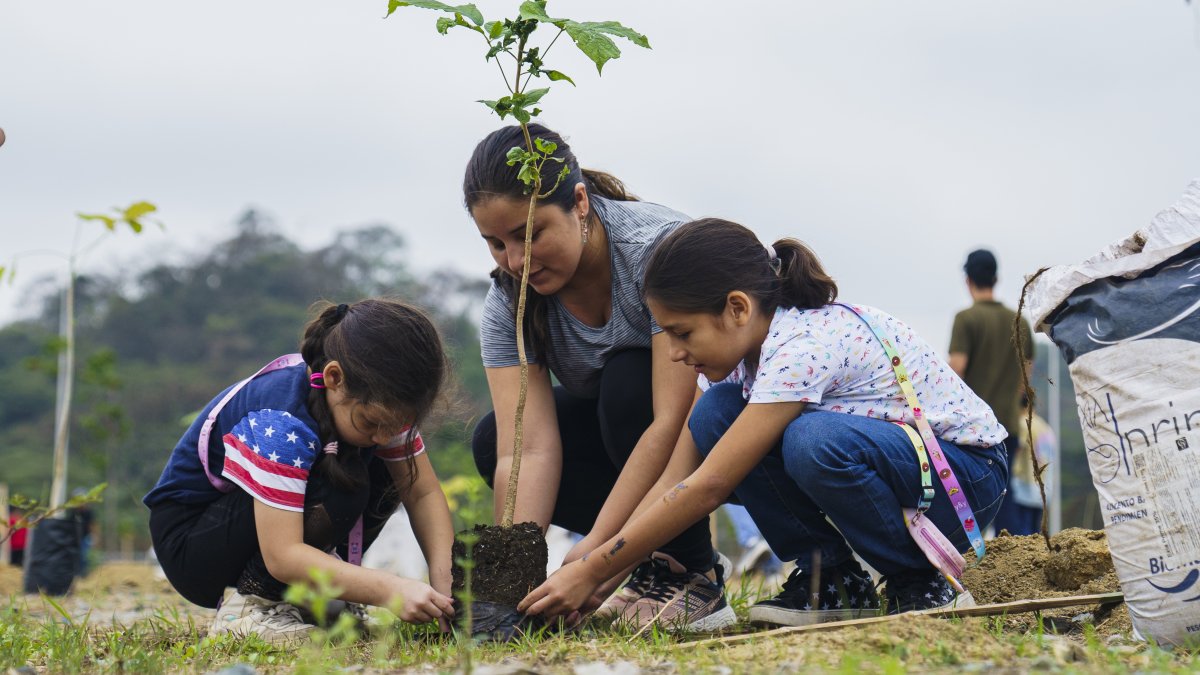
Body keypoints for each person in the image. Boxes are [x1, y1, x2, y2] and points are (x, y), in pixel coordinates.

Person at [518, 218, 1009, 628]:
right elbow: (677, 476)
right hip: (904, 467)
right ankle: (830, 579)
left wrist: (596, 566)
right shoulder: (739, 361)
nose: (672, 351)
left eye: (682, 331)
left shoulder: (801, 348)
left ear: (736, 308)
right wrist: (594, 567)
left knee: (812, 441)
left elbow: (709, 488)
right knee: (714, 414)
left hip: (968, 475)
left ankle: (919, 580)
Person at [466, 123, 733, 631]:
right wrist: (510, 582)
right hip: (635, 452)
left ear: (580, 203)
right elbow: (528, 450)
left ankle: (689, 572)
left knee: (627, 382)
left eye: (531, 234)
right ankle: (650, 564)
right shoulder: (509, 302)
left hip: (721, 436)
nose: (516, 262)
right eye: (496, 244)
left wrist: (598, 555)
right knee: (493, 437)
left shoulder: (654, 252)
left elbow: (672, 424)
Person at [144, 299, 456, 644]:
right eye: (372, 423)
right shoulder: (283, 423)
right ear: (335, 378)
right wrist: (388, 588)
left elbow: (422, 492)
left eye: (399, 424)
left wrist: (447, 582)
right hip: (194, 546)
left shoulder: (379, 403)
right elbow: (282, 554)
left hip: (268, 532)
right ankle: (252, 607)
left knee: (394, 474)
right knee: (340, 479)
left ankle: (314, 600)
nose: (384, 436)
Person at [949, 249, 1033, 534]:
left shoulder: (966, 319)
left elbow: (957, 367)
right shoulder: (1019, 321)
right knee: (1003, 495)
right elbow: (1026, 376)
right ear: (996, 278)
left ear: (968, 280)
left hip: (970, 430)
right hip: (1008, 425)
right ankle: (1017, 561)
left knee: (965, 498)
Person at [995, 395, 1056, 536]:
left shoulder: (1023, 423)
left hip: (1023, 487)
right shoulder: (1046, 428)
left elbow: (1016, 449)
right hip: (1043, 488)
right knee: (1036, 534)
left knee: (1022, 535)